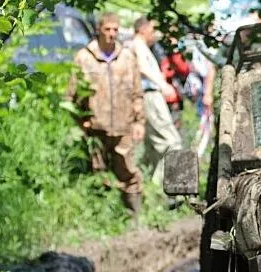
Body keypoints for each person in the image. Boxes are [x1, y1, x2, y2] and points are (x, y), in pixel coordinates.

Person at [69, 12, 145, 218]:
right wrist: (80, 121)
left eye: (115, 30)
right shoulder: (84, 57)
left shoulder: (128, 57)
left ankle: (135, 218)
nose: (111, 34)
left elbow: (138, 93)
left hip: (124, 127)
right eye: (107, 29)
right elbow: (71, 96)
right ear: (99, 30)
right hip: (96, 128)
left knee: (128, 173)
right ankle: (101, 218)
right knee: (98, 173)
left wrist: (139, 122)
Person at [130, 17, 183, 185]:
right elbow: (142, 67)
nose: (154, 34)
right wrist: (162, 85)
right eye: (152, 30)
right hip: (150, 96)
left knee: (152, 147)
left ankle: (144, 186)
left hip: (147, 96)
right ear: (143, 30)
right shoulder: (137, 45)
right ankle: (165, 187)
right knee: (172, 143)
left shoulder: (141, 46)